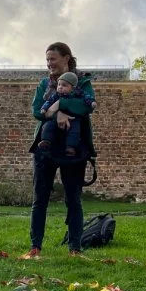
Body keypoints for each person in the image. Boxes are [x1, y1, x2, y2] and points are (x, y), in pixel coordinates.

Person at [25, 42, 98, 257]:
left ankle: (75, 248)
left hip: (73, 149)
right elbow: (37, 110)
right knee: (40, 199)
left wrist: (60, 106)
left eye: (53, 59)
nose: (49, 64)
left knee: (73, 199)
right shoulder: (43, 84)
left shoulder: (83, 82)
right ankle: (35, 247)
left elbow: (86, 107)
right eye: (47, 60)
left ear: (66, 58)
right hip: (45, 148)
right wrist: (56, 114)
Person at [37, 71, 94, 157]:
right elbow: (48, 102)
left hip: (73, 118)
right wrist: (44, 109)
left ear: (73, 87)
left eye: (64, 85)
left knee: (75, 131)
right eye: (59, 85)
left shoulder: (78, 93)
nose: (60, 87)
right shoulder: (55, 95)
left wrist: (91, 102)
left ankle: (70, 147)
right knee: (48, 126)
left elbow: (86, 99)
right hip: (54, 119)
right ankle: (46, 141)